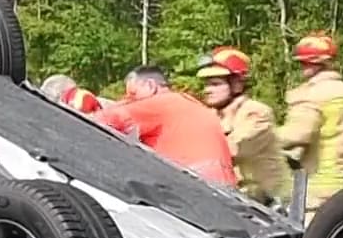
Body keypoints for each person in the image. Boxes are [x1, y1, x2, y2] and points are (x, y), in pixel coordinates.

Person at [277, 33, 343, 215]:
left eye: (303, 63)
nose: (302, 68)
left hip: (318, 191)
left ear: (312, 64)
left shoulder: (311, 95)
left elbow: (297, 134)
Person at [92, 66, 237, 186]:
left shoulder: (160, 103)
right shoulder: (190, 105)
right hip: (224, 187)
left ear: (150, 85)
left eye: (133, 94)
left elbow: (104, 120)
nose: (129, 100)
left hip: (196, 185)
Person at [195, 47, 291, 206]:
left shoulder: (256, 113)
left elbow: (232, 149)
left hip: (272, 204)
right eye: (206, 85)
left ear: (237, 85)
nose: (207, 90)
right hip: (240, 200)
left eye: (215, 84)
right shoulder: (213, 115)